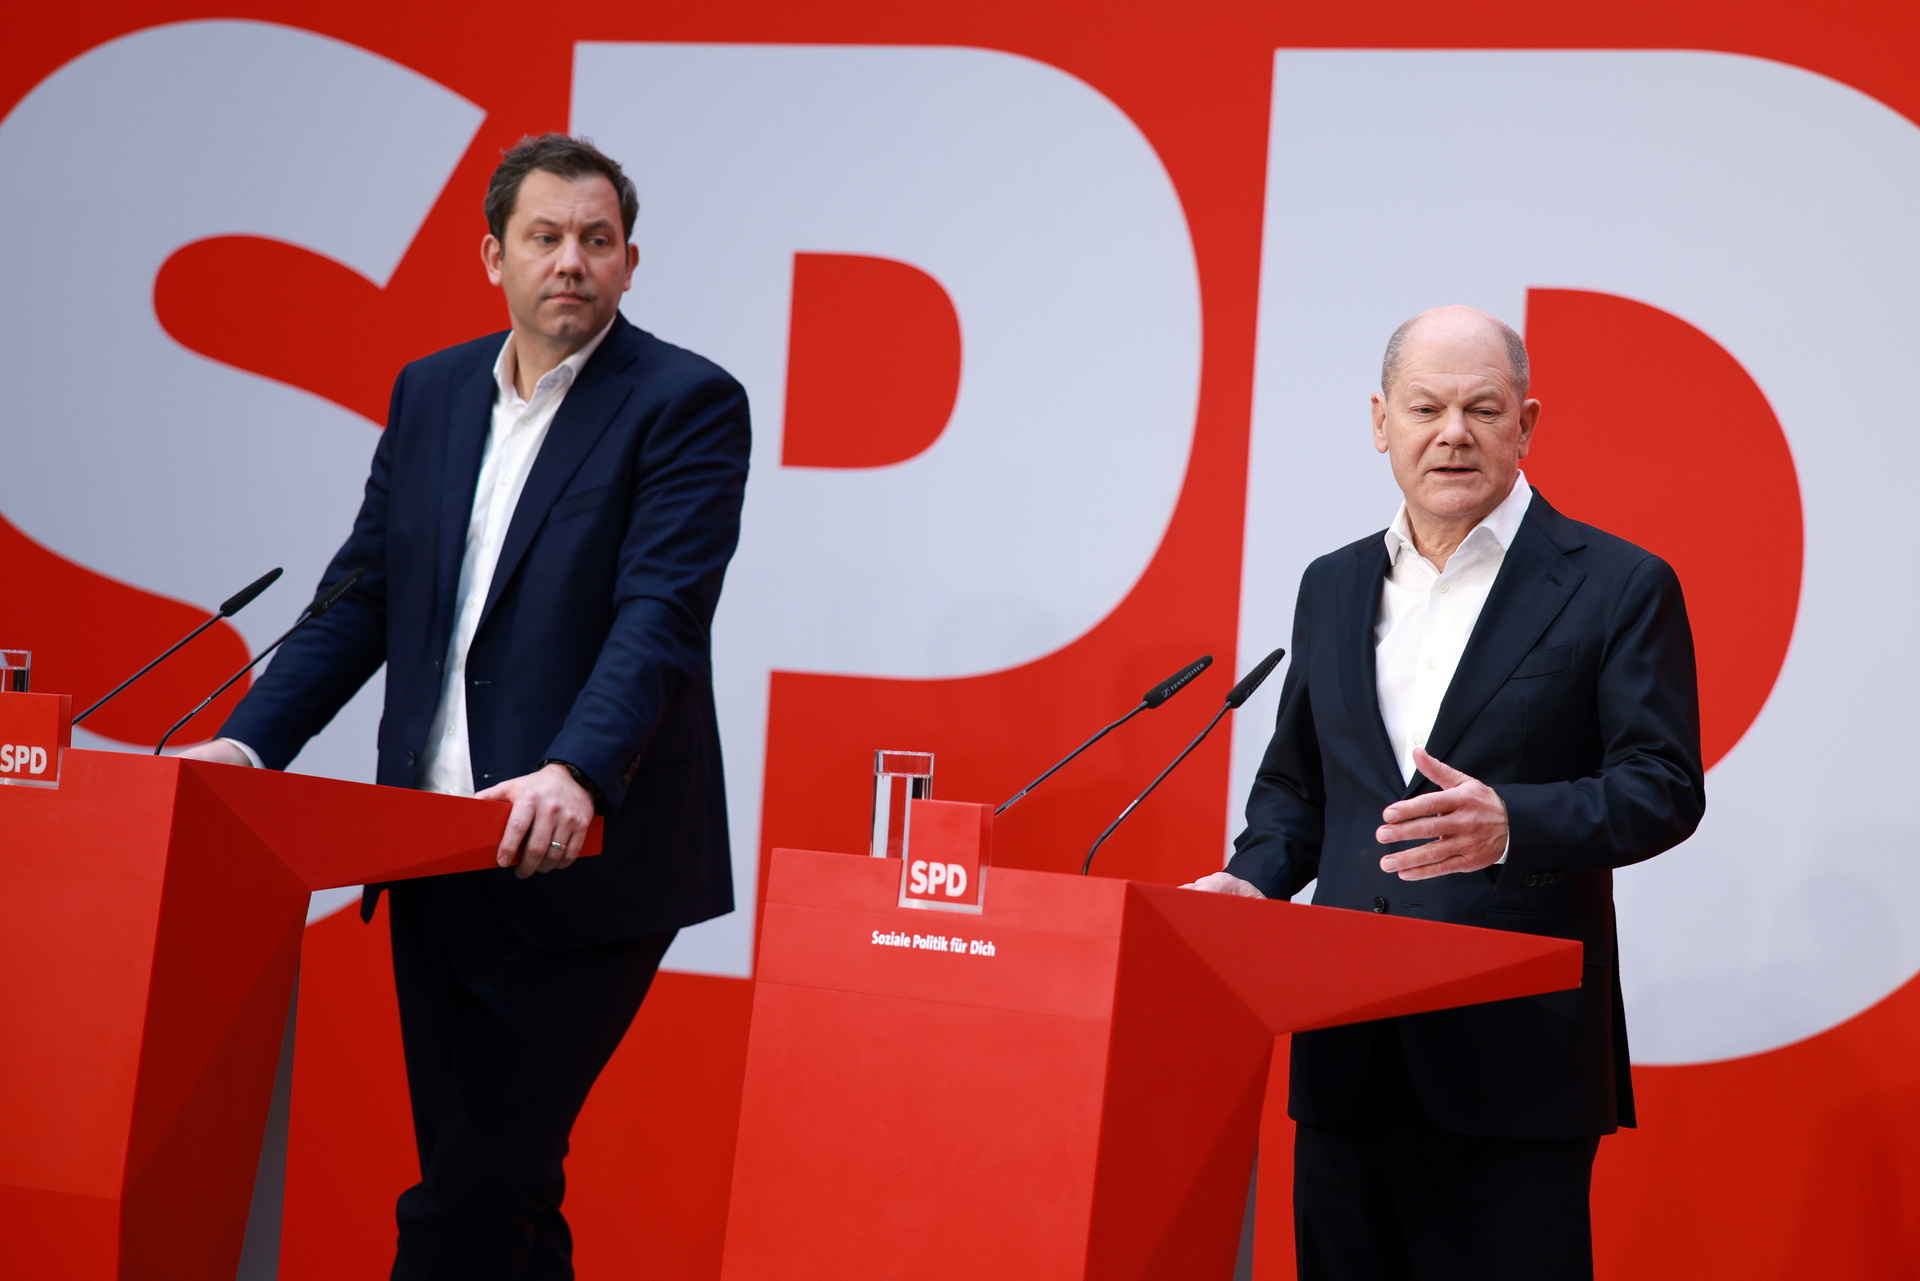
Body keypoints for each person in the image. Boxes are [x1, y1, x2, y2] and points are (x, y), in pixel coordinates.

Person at [179, 134, 751, 1279]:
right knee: (499, 1194)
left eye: (598, 241)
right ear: (493, 255)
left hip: (577, 857)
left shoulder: (686, 403)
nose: (572, 263)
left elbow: (660, 617)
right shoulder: (433, 392)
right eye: (546, 238)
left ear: (632, 263)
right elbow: (361, 595)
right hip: (432, 852)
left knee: (462, 1200)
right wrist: (250, 742)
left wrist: (577, 772)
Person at [1187, 306, 1703, 1280]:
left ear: (1527, 423)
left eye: (1482, 408)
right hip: (1346, 1060)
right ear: (1381, 421)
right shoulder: (1331, 585)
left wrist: (1516, 824)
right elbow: (1300, 786)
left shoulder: (1617, 585)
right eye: (1426, 407)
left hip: (1513, 1063)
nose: (1452, 433)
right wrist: (1252, 885)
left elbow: (1663, 787)